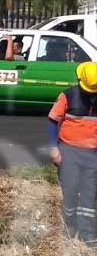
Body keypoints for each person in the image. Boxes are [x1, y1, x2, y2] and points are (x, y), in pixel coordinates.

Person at [49, 62, 97, 243]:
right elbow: (53, 120)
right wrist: (53, 147)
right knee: (70, 190)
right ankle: (69, 227)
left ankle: (87, 233)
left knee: (90, 193)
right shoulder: (68, 96)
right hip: (69, 152)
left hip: (93, 154)